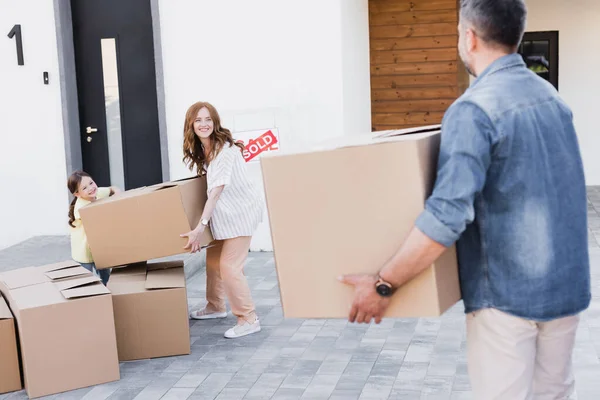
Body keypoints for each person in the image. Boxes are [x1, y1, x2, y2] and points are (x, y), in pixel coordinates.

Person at [340, 0, 591, 398]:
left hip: (508, 296)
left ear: (469, 37)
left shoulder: (475, 109)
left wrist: (383, 283)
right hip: (565, 288)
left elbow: (447, 215)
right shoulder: (550, 97)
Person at [181, 101, 263, 339]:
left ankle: (249, 318)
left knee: (229, 267)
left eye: (208, 119)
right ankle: (215, 306)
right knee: (214, 262)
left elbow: (216, 190)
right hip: (224, 214)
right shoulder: (205, 149)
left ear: (215, 122)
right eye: (198, 120)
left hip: (241, 213)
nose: (203, 124)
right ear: (191, 125)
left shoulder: (224, 151)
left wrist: (200, 228)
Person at [68, 170, 120, 286]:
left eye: (91, 183)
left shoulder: (96, 193)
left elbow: (113, 189)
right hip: (84, 253)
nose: (91, 188)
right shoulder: (81, 209)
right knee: (87, 284)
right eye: (85, 188)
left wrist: (117, 195)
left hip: (99, 249)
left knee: (109, 280)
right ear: (77, 194)